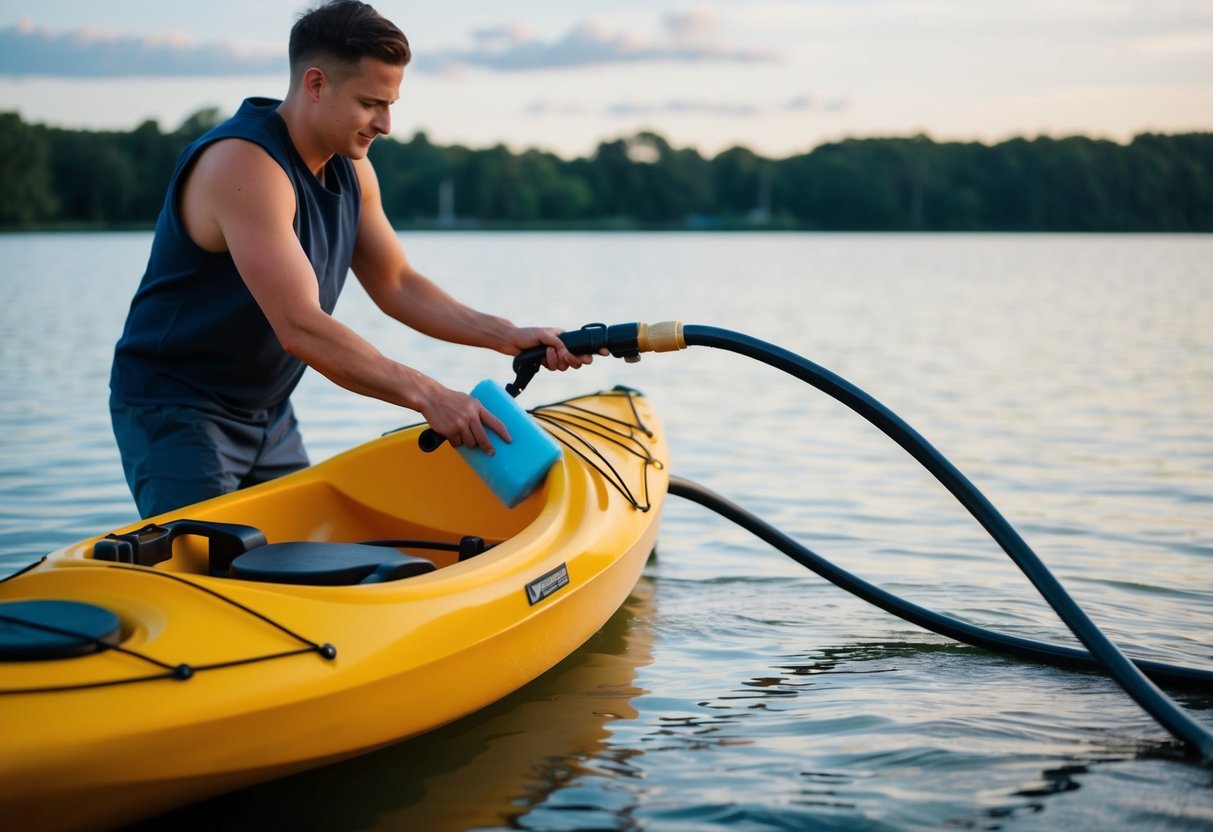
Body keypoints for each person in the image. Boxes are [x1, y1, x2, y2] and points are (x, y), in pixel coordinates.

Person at [109, 0, 589, 519]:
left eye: (391, 104)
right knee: (215, 577)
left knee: (300, 559)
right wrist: (430, 396)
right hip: (177, 409)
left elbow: (397, 283)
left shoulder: (352, 169)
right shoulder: (242, 166)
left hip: (267, 412)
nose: (385, 123)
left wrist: (505, 335)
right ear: (316, 84)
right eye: (370, 103)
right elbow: (301, 327)